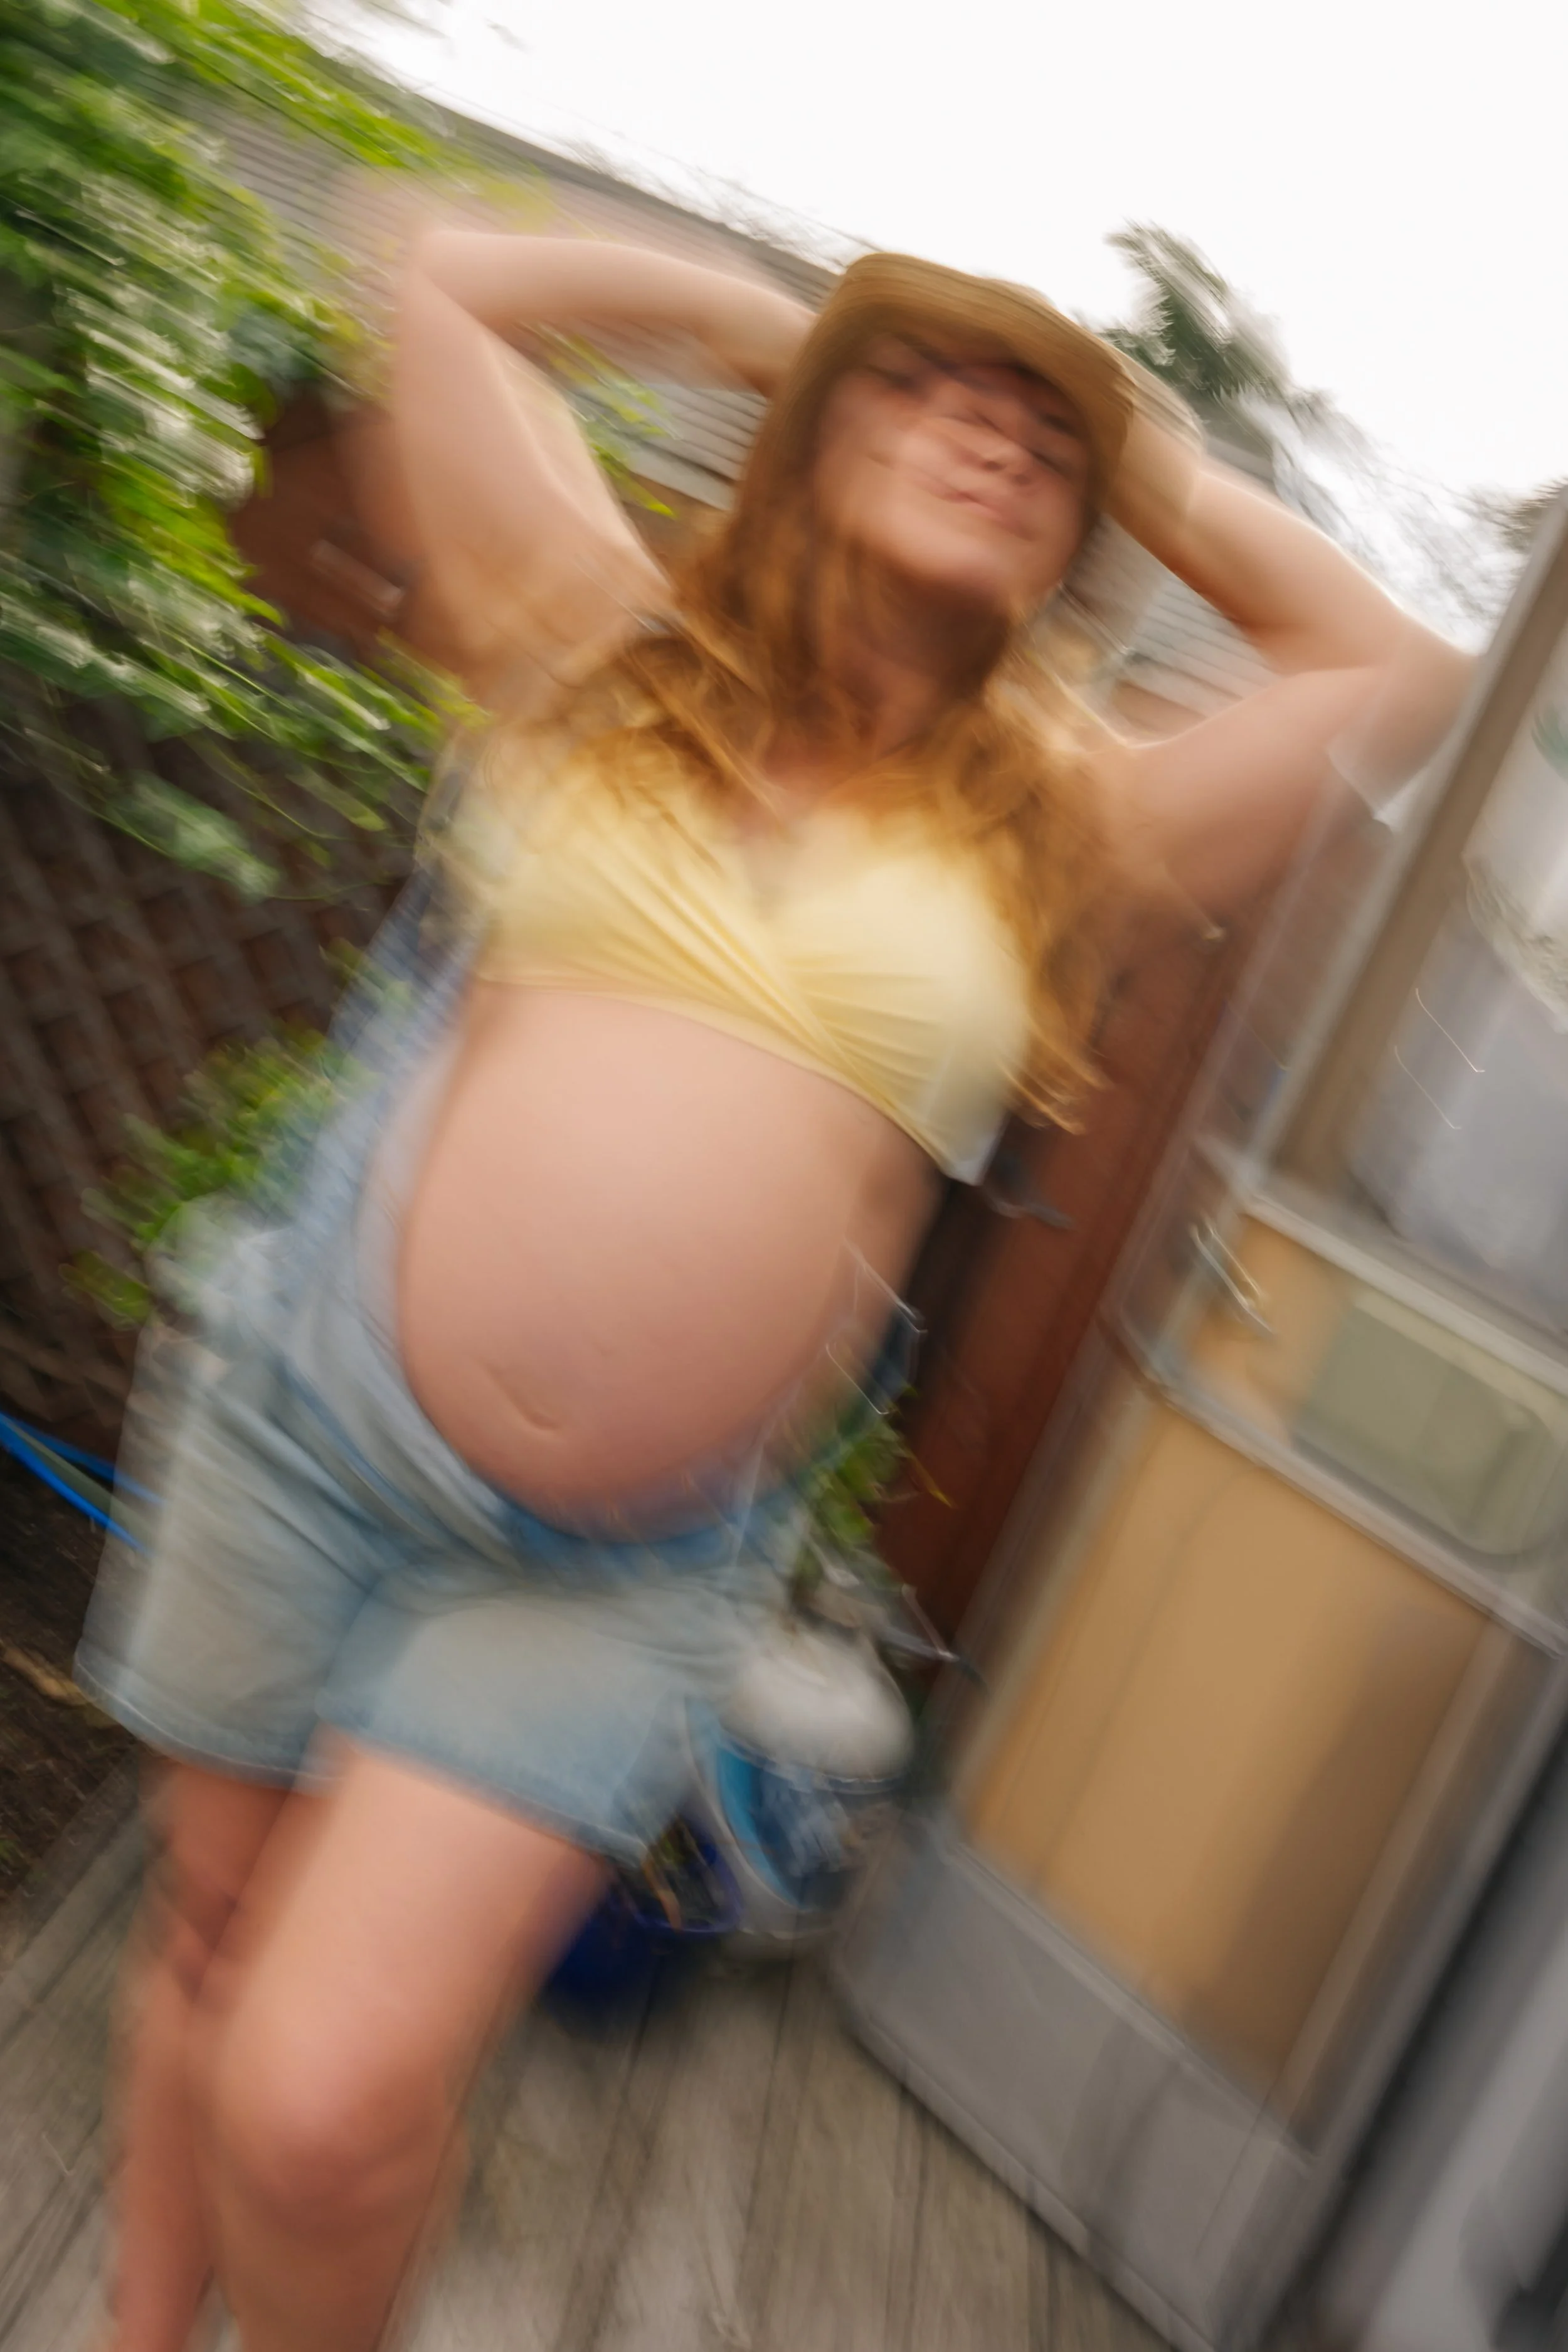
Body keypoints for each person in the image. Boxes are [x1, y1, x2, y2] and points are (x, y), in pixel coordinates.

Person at [76, 227, 1470, 2352]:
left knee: (331, 2095)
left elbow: (1405, 674)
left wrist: (1119, 443)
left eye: (1035, 444)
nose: (989, 430)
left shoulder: (1072, 828)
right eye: (924, 391)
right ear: (811, 435)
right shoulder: (589, 633)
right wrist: (763, 321)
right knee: (210, 1939)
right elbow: (426, 272)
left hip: (610, 1567)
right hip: (307, 1404)